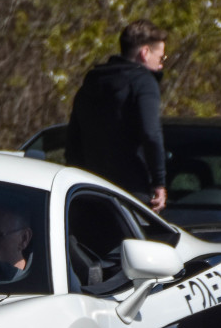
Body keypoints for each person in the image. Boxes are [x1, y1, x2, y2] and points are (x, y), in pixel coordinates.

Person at [64, 19, 168, 211]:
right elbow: (151, 134)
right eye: (161, 58)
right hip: (130, 192)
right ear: (145, 53)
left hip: (88, 189)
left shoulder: (92, 82)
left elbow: (73, 139)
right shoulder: (144, 82)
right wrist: (159, 182)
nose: (161, 65)